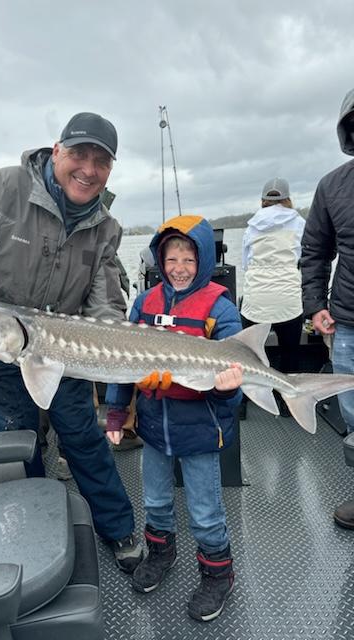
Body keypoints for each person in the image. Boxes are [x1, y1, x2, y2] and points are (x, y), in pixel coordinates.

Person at [0, 111, 144, 573]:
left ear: (110, 169)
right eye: (80, 155)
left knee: (84, 439)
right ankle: (31, 539)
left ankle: (118, 529)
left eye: (101, 162)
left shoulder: (106, 228)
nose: (88, 169)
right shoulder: (3, 189)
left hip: (63, 355)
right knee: (17, 443)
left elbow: (105, 306)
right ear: (57, 149)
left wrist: (132, 358)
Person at [105, 215, 243, 622]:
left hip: (201, 429)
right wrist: (116, 413)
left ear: (203, 261)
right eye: (171, 259)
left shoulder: (220, 307)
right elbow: (118, 363)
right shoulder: (143, 303)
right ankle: (162, 555)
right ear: (159, 261)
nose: (179, 267)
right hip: (153, 427)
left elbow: (233, 380)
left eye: (188, 259)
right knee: (155, 501)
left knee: (205, 510)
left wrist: (227, 385)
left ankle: (219, 573)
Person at [301, 88, 354, 529]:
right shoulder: (332, 186)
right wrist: (316, 304)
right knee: (353, 413)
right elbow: (315, 251)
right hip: (349, 323)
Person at [240, 177, 305, 418]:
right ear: (287, 199)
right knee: (290, 351)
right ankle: (288, 404)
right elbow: (303, 256)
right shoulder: (299, 223)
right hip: (288, 301)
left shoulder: (252, 225)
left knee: (248, 353)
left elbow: (247, 264)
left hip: (257, 300)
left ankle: (246, 402)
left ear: (263, 200)